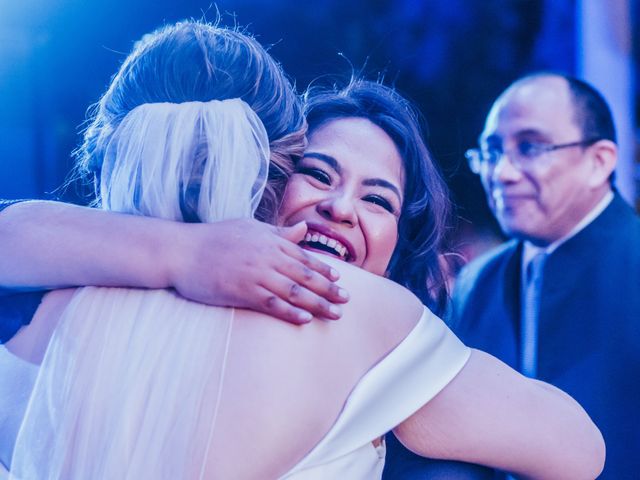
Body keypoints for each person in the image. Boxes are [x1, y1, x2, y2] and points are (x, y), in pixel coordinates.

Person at [1, 25, 603, 478]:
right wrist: (188, 253)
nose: (341, 209)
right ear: (270, 167)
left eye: (378, 200)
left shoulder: (33, 323)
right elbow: (579, 451)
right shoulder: (368, 322)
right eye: (318, 173)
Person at [446, 72, 640, 479]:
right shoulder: (475, 283)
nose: (502, 173)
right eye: (491, 151)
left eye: (530, 147)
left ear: (599, 161)